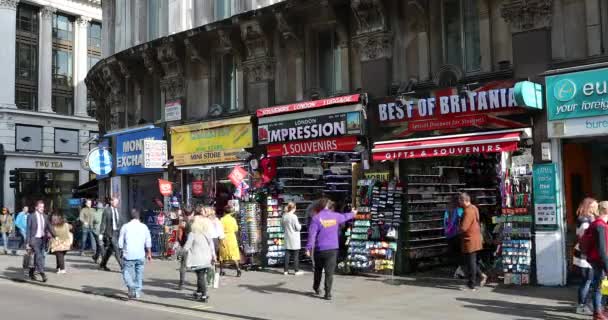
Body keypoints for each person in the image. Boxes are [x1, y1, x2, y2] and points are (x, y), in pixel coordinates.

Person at [306, 198, 356, 300]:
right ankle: (327, 293)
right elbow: (345, 217)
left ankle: (316, 287)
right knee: (329, 272)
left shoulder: (316, 218)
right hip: (332, 248)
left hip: (319, 248)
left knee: (318, 270)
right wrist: (353, 213)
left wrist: (308, 248)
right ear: (330, 206)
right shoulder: (336, 216)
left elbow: (312, 235)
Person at [118, 209, 152, 299]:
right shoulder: (144, 227)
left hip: (128, 254)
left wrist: (121, 250)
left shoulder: (125, 226)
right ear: (139, 217)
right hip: (140, 254)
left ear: (130, 217)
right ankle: (137, 292)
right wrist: (149, 253)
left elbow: (120, 241)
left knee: (126, 272)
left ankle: (131, 286)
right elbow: (148, 240)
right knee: (139, 274)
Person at [574, 197, 598, 315]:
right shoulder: (584, 220)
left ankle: (583, 303)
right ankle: (581, 305)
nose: (596, 208)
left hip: (585, 253)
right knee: (587, 280)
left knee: (587, 280)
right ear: (588, 206)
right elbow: (584, 238)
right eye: (593, 206)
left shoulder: (590, 218)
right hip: (584, 254)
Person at [458, 192, 488, 291]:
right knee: (471, 261)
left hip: (469, 240)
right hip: (475, 238)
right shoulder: (474, 208)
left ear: (464, 200)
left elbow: (464, 227)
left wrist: (457, 227)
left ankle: (471, 285)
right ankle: (482, 275)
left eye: (460, 200)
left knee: (470, 262)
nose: (459, 202)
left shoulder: (468, 211)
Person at [184, 215, 216, 302]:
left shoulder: (192, 234)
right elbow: (211, 245)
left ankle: (204, 294)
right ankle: (198, 291)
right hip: (207, 258)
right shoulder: (206, 233)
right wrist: (214, 256)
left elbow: (187, 246)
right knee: (201, 275)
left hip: (197, 259)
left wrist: (181, 252)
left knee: (200, 276)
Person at [585, 201, 608, 320]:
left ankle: (600, 310)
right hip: (600, 260)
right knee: (599, 286)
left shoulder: (596, 224)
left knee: (601, 286)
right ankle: (598, 313)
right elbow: (602, 249)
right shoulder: (600, 225)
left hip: (595, 259)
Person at [26, 200, 56, 282]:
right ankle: (42, 273)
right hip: (34, 239)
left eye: (43, 207)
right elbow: (28, 230)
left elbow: (49, 226)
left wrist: (55, 235)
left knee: (39, 256)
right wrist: (27, 243)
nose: (42, 208)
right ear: (36, 207)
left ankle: (31, 272)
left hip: (43, 240)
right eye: (40, 207)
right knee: (39, 256)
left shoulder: (45, 216)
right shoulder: (31, 216)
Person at [99, 196, 124, 271]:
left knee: (109, 251)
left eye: (117, 202)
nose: (117, 203)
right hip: (110, 233)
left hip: (117, 232)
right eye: (115, 202)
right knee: (117, 250)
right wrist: (101, 234)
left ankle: (102, 264)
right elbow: (103, 223)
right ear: (111, 202)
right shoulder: (106, 211)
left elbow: (120, 221)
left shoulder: (118, 210)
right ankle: (123, 267)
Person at [444, 196, 465, 279]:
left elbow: (445, 222)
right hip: (457, 234)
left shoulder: (447, 210)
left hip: (449, 234)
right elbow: (462, 220)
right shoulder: (460, 210)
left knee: (454, 253)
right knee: (460, 253)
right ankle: (460, 270)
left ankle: (458, 270)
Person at [219, 206, 241, 277]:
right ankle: (238, 269)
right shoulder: (233, 219)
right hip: (232, 237)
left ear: (224, 212)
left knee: (222, 255)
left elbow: (219, 229)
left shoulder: (222, 219)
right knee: (234, 254)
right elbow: (236, 229)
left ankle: (221, 270)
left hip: (224, 237)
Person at [282, 202, 302, 276]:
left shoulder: (284, 216)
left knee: (287, 254)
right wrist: (300, 225)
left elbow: (282, 226)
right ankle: (296, 271)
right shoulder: (294, 216)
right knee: (295, 255)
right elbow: (298, 228)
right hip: (294, 237)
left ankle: (285, 270)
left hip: (287, 236)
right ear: (294, 208)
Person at [177, 209, 194, 290]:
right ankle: (200, 285)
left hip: (184, 245)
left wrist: (180, 244)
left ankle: (181, 283)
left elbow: (179, 235)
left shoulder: (183, 222)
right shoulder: (194, 222)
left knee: (183, 265)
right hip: (194, 246)